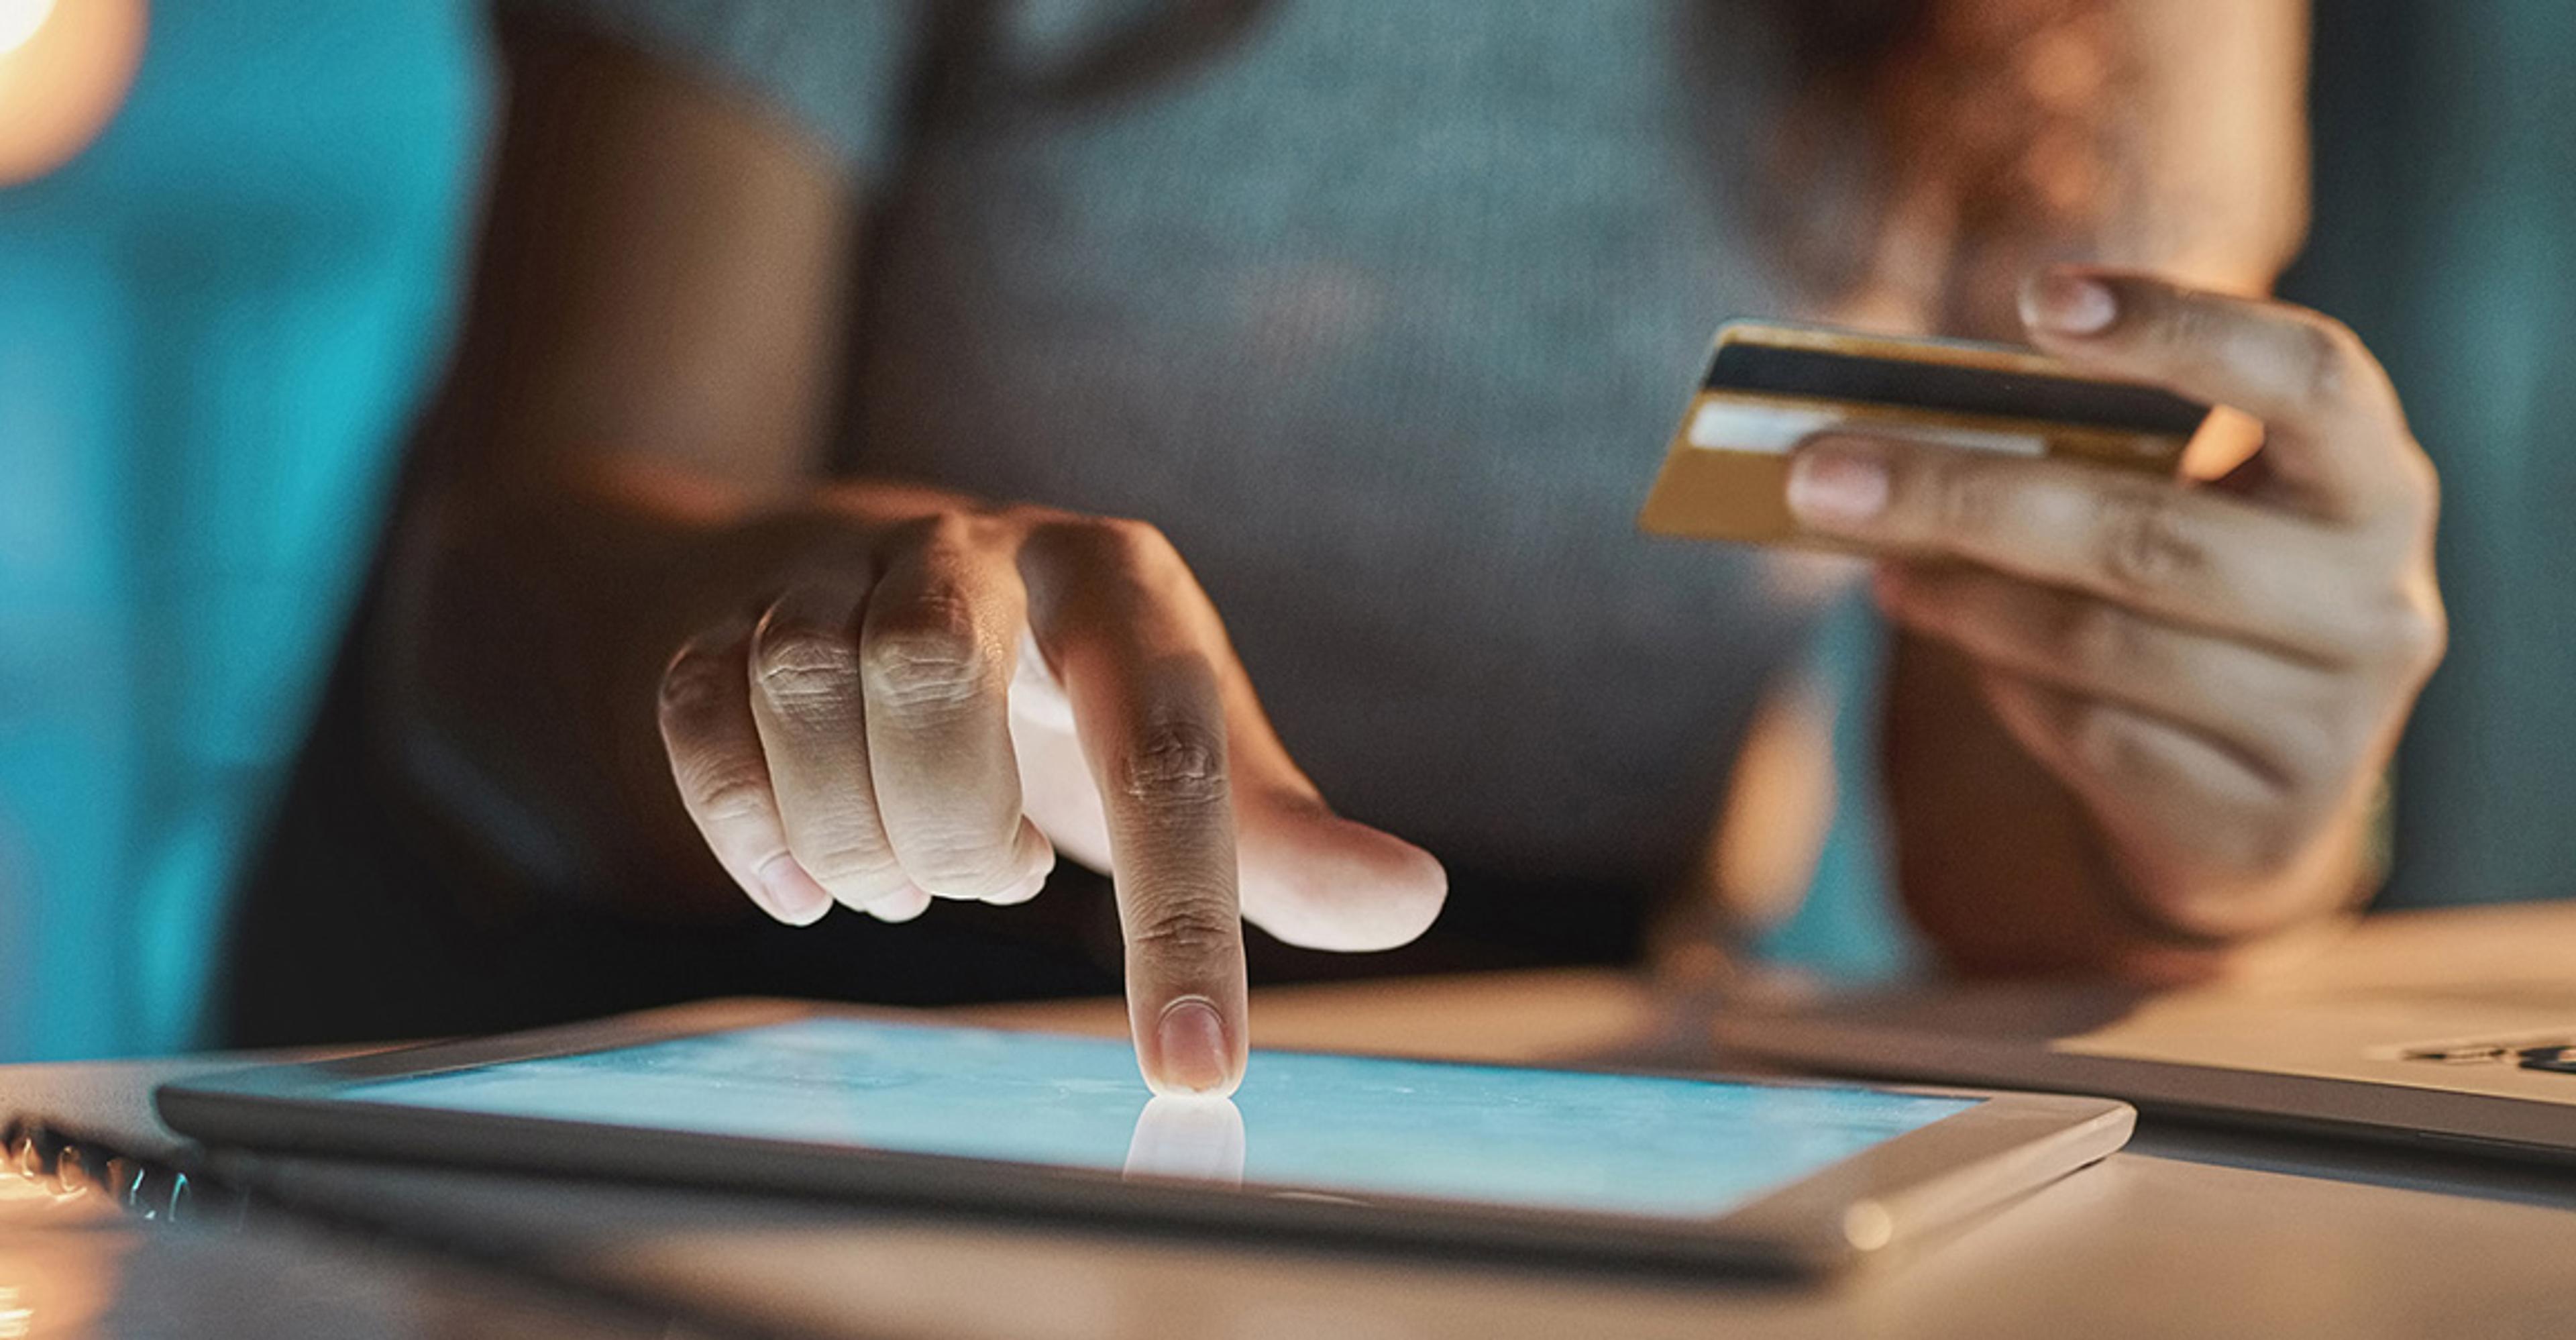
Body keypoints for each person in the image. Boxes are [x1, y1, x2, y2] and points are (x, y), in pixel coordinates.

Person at [217, 0, 2443, 1096]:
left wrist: (2235, 821)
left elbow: (1999, 833)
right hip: (677, 1038)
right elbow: (508, 590)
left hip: (1519, 1102)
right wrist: (851, 649)